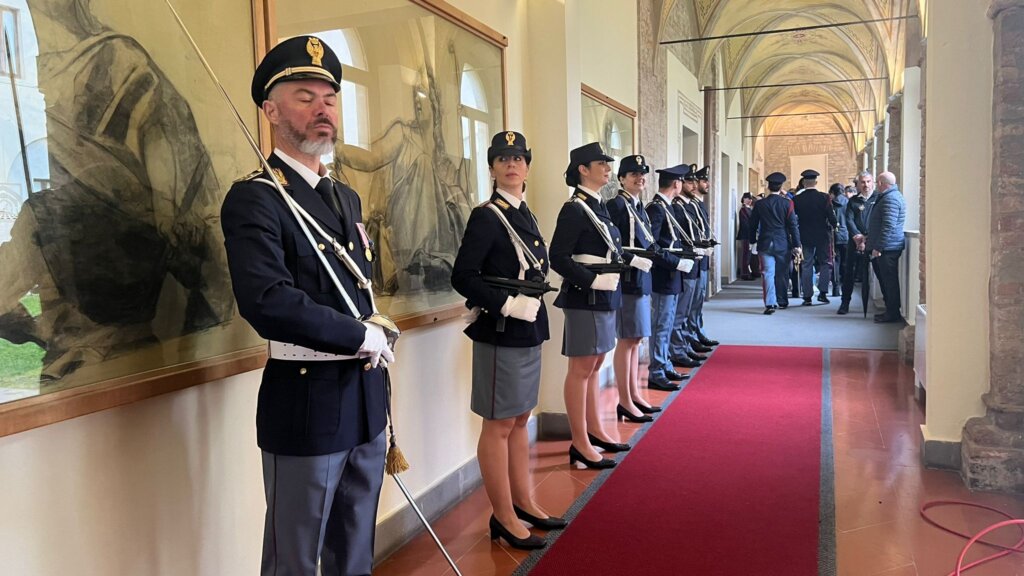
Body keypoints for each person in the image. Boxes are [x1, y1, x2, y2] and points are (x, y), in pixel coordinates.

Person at [220, 36, 395, 576]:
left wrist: (374, 329)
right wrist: (359, 335)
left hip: (366, 397)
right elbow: (267, 300)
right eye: (305, 97)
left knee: (355, 553)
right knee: (294, 560)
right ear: (271, 111)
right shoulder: (256, 197)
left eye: (330, 99)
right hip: (307, 402)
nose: (323, 109)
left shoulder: (346, 197)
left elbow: (355, 288)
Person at [451, 131, 564, 550]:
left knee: (519, 419)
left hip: (528, 328)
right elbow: (463, 276)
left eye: (518, 158)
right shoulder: (487, 216)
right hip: (501, 330)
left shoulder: (524, 213)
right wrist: (506, 305)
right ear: (492, 168)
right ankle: (502, 515)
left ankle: (523, 502)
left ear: (528, 167)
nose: (511, 164)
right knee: (499, 424)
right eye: (503, 158)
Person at [550, 142, 652, 469]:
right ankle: (579, 442)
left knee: (594, 367)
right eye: (601, 164)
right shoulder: (575, 208)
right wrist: (591, 281)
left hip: (606, 295)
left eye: (608, 164)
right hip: (585, 297)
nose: (608, 169)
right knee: (581, 369)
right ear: (583, 169)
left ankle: (594, 430)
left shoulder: (596, 205)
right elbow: (558, 257)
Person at [606, 155, 661, 422]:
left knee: (636, 340)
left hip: (642, 277)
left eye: (642, 174)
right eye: (633, 174)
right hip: (628, 279)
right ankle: (625, 400)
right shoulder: (617, 205)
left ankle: (634, 394)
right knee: (627, 340)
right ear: (621, 178)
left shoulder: (637, 205)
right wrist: (632, 260)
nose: (640, 178)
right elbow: (613, 244)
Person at [644, 164, 696, 392]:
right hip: (663, 274)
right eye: (681, 181)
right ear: (676, 184)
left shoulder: (667, 206)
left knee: (668, 322)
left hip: (673, 274)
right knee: (661, 324)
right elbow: (654, 246)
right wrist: (676, 262)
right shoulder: (656, 209)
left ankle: (664, 363)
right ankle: (656, 370)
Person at [668, 168, 707, 369]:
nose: (694, 185)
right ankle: (678, 348)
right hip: (686, 262)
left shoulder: (692, 205)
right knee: (681, 311)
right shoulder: (676, 207)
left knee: (693, 305)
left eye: (694, 182)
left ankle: (687, 341)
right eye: (689, 182)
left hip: (697, 261)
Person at [748, 172, 802, 315]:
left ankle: (770, 303)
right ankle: (782, 300)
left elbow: (752, 224)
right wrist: (797, 244)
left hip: (765, 241)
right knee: (782, 273)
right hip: (782, 242)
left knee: (767, 273)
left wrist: (752, 240)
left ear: (768, 186)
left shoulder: (760, 204)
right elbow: (793, 225)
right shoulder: (787, 203)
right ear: (781, 187)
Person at [865, 171, 907, 323]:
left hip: (887, 248)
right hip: (887, 246)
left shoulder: (891, 199)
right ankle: (890, 311)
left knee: (889, 282)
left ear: (881, 183)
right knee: (886, 281)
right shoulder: (890, 197)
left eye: (877, 182)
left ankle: (892, 313)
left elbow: (888, 226)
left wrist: (879, 247)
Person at [791, 169, 837, 305]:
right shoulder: (824, 197)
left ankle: (807, 296)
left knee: (806, 264)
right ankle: (823, 293)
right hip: (822, 235)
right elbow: (831, 216)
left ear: (804, 183)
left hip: (804, 235)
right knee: (825, 263)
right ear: (816, 182)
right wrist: (835, 225)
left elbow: (793, 218)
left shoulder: (797, 199)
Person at [689, 165, 720, 348]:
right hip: (695, 257)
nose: (706, 184)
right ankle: (692, 336)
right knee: (691, 303)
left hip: (703, 258)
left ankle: (698, 331)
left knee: (698, 300)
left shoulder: (699, 204)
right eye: (703, 180)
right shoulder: (689, 205)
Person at [838, 171, 874, 315]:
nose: (866, 185)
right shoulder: (853, 201)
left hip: (873, 241)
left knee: (880, 273)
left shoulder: (878, 199)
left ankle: (889, 307)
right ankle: (845, 303)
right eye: (863, 182)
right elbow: (849, 220)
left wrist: (867, 237)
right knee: (849, 273)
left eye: (868, 181)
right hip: (855, 242)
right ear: (858, 184)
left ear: (873, 182)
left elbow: (879, 220)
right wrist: (857, 236)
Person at [829, 183, 849, 296]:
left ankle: (835, 289)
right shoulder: (848, 202)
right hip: (846, 235)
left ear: (832, 192)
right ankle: (846, 287)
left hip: (834, 236)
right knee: (846, 262)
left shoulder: (830, 204)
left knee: (835, 261)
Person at [737, 192, 756, 280]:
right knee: (745, 255)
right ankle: (745, 273)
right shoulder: (743, 210)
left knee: (748, 255)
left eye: (750, 198)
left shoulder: (749, 209)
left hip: (749, 235)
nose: (750, 200)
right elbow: (746, 224)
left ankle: (747, 272)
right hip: (746, 235)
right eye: (748, 198)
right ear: (744, 199)